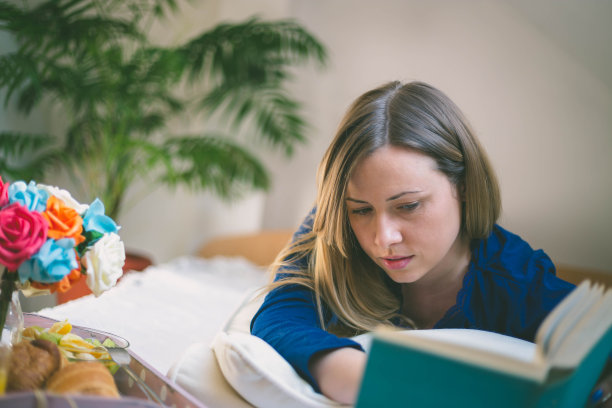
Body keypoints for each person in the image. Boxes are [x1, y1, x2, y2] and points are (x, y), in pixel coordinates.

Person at [249, 81, 599, 404]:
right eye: (361, 210)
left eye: (409, 206)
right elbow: (278, 316)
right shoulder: (331, 232)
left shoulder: (517, 279)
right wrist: (354, 376)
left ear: (463, 187)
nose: (383, 237)